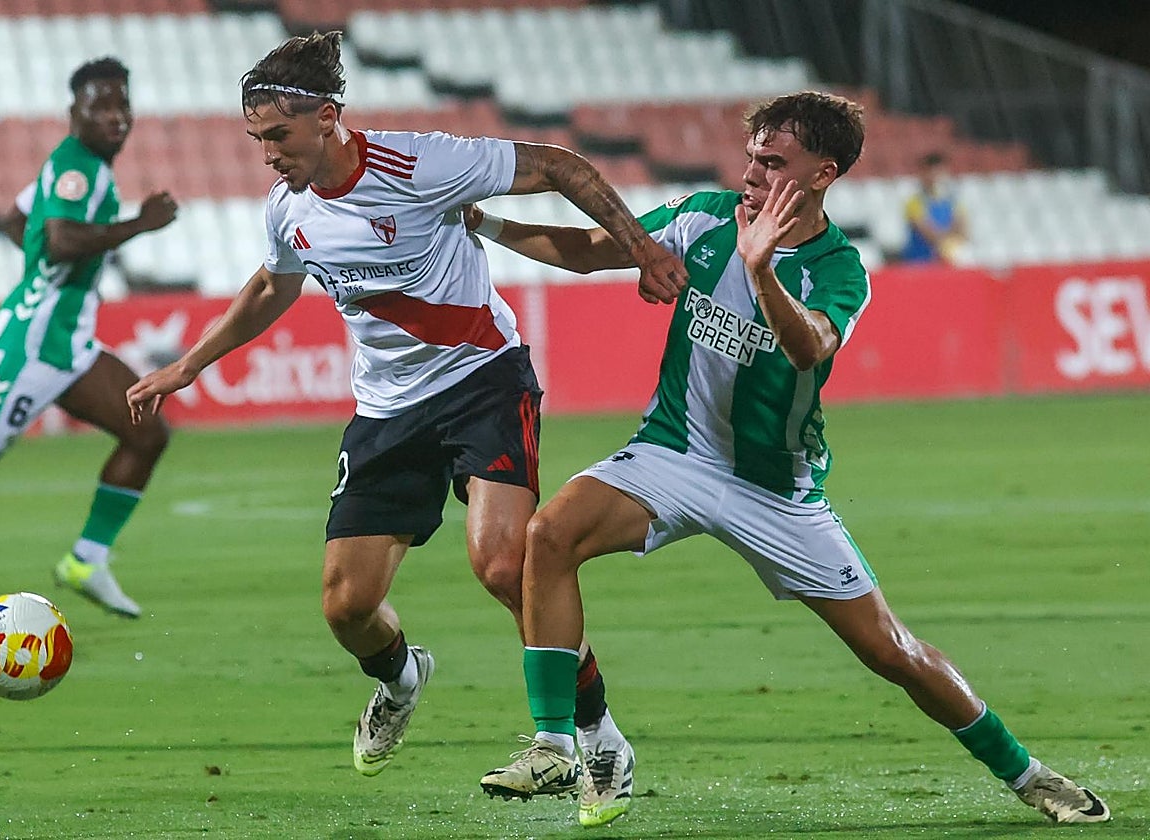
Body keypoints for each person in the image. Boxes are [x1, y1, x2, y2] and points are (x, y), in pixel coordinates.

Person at [475, 91, 1111, 827]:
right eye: (752, 154)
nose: (752, 170)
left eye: (773, 161)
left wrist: (761, 269)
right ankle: (565, 743)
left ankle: (1029, 775)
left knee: (892, 651)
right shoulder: (705, 216)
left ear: (822, 174)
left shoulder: (841, 269)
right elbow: (588, 254)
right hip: (674, 453)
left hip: (776, 491)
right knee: (548, 538)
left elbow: (810, 345)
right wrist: (484, 221)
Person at [123, 31, 686, 819]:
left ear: (327, 118)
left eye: (277, 136)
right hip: (387, 408)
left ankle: (594, 740)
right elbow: (271, 285)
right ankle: (401, 677)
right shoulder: (287, 206)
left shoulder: (419, 163)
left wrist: (645, 250)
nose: (267, 155)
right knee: (345, 606)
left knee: (501, 564)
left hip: (481, 380)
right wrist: (190, 365)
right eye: (257, 139)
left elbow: (563, 166)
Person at [0, 57, 177, 618]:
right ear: (73, 112)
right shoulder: (77, 168)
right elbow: (58, 241)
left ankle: (86, 559)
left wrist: (42, 274)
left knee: (146, 432)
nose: (115, 116)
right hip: (29, 347)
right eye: (100, 105)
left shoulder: (75, 168)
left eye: (121, 103)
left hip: (68, 346)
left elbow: (17, 221)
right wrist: (138, 224)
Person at [899, 151, 967, 263]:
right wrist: (948, 242)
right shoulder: (914, 203)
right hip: (920, 262)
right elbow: (929, 234)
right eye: (931, 172)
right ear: (923, 174)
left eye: (939, 172)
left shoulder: (954, 202)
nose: (935, 177)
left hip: (947, 260)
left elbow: (963, 231)